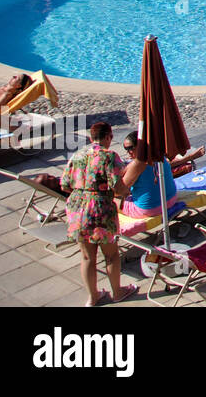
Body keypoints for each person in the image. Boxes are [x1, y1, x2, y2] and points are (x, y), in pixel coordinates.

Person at [61, 121, 134, 306]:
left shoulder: (77, 154)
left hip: (77, 208)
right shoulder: (109, 156)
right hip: (100, 208)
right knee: (111, 255)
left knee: (87, 256)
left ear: (91, 137)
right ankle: (118, 292)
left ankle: (93, 297)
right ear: (108, 136)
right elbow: (117, 186)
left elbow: (64, 184)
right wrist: (125, 193)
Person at [119, 131, 187, 221]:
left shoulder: (137, 164)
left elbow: (119, 190)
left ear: (140, 147)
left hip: (150, 209)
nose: (128, 152)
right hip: (171, 199)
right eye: (126, 149)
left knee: (110, 202)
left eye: (130, 148)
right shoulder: (158, 155)